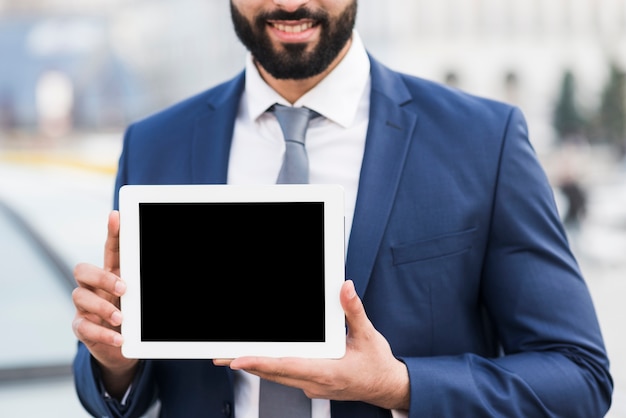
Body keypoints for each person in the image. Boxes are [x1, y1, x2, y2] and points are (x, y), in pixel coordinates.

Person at [71, 1, 613, 417]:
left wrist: (400, 385)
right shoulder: (156, 143)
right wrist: (116, 363)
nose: (289, 3)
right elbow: (124, 389)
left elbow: (579, 375)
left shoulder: (482, 141)